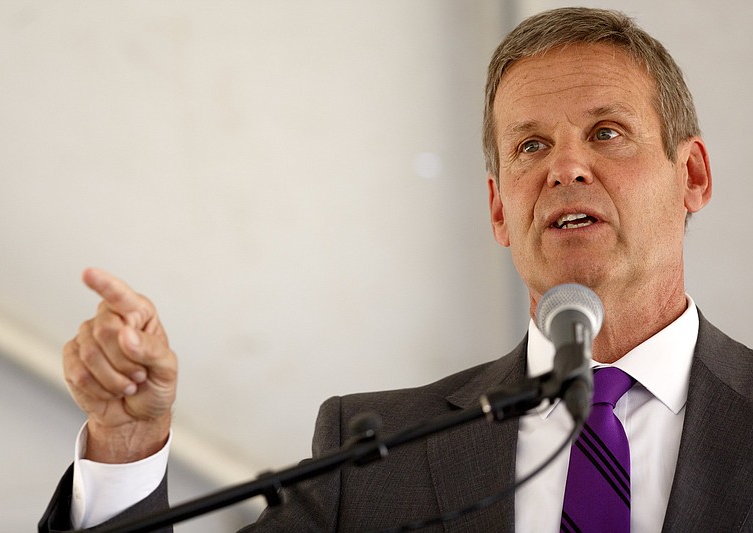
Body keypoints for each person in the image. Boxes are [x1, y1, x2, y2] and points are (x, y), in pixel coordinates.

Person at [40, 7, 753, 532]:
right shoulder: (374, 455)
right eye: (530, 146)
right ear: (500, 210)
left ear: (691, 174)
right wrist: (127, 445)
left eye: (605, 132)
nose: (565, 166)